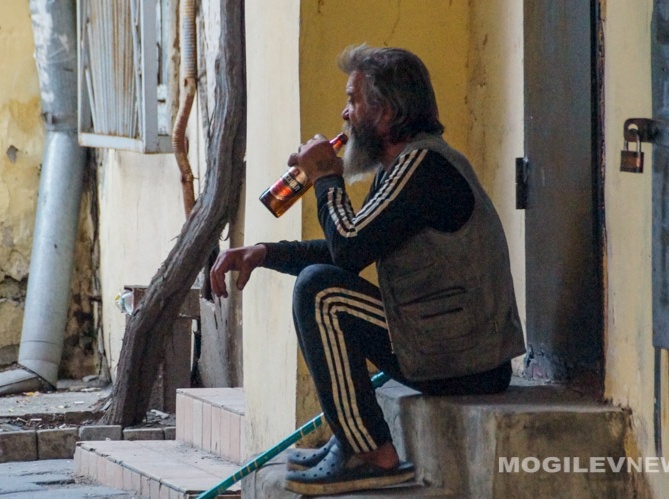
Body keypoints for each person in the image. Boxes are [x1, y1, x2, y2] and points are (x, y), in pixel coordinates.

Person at [210, 44, 526, 496]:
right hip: (454, 347)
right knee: (321, 283)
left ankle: (370, 452)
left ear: (386, 111)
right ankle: (350, 440)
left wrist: (326, 177)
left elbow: (349, 249)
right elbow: (352, 244)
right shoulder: (404, 166)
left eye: (352, 100)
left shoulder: (424, 165)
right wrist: (264, 252)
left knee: (321, 292)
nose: (345, 113)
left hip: (465, 356)